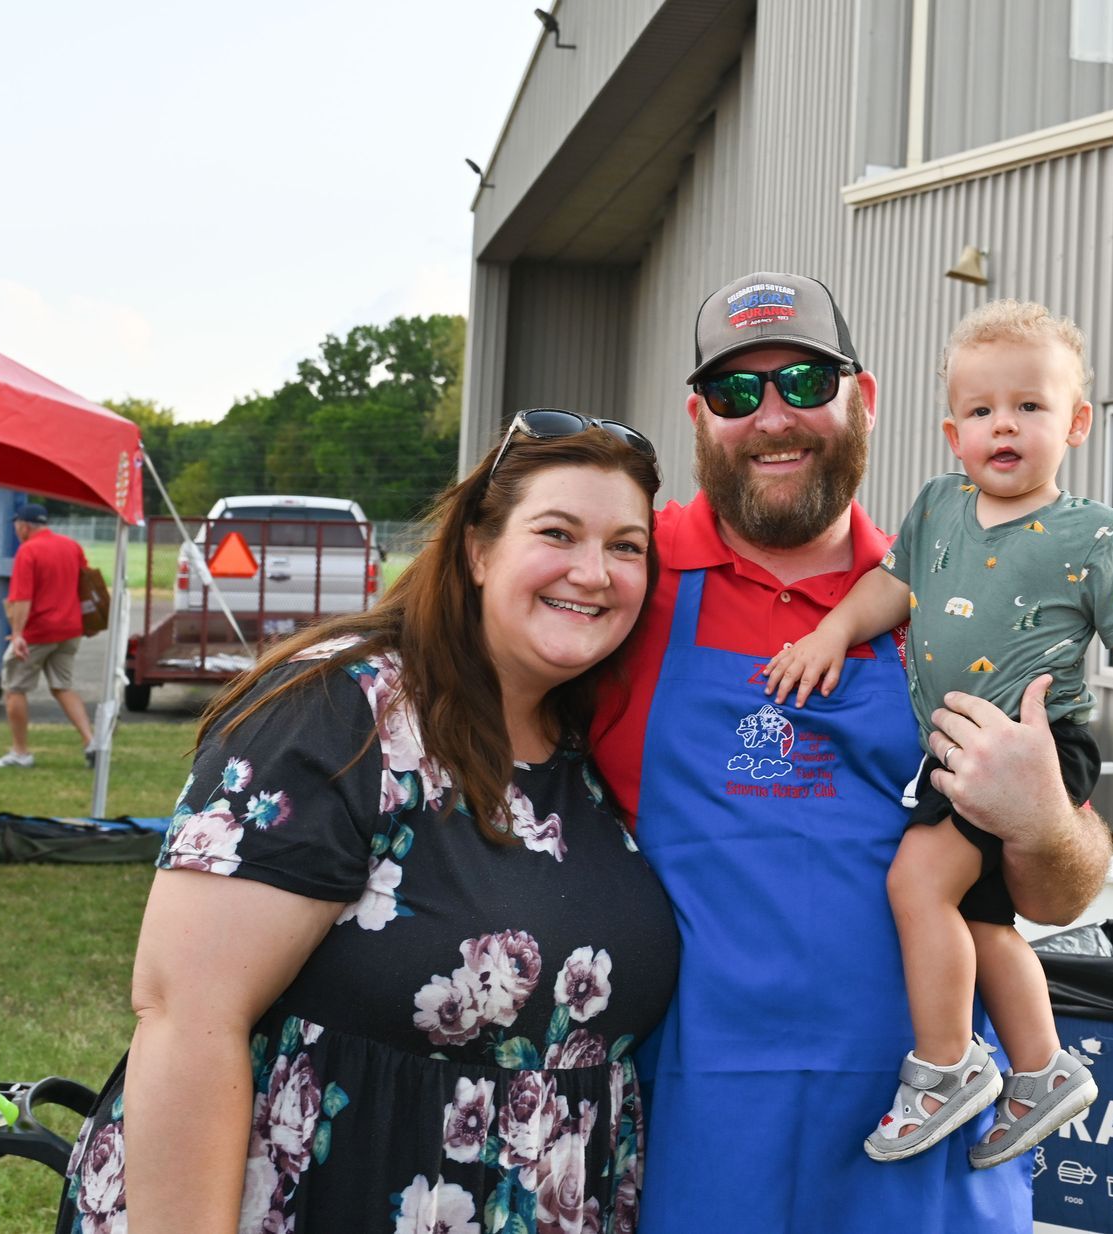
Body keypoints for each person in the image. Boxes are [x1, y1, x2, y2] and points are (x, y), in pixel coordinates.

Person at [59, 416, 681, 1234]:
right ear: (478, 551)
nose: (593, 572)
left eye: (627, 546)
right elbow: (186, 1017)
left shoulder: (587, 743)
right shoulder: (342, 713)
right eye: (557, 533)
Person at [591, 273, 1113, 1233]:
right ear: (700, 417)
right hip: (700, 1140)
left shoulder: (971, 589)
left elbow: (1062, 892)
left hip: (925, 1144)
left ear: (863, 399)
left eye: (804, 381)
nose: (774, 417)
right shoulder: (629, 579)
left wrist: (1042, 818)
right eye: (738, 393)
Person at [766, 298, 1113, 1169]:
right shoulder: (935, 510)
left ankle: (947, 1066)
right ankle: (1040, 1068)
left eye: (1030, 407)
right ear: (953, 432)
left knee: (918, 885)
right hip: (955, 747)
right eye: (983, 410)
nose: (1006, 426)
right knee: (981, 919)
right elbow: (889, 588)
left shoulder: (1094, 533)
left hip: (1034, 747)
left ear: (1074, 424)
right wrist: (830, 633)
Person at [0, 502, 95, 769]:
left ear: (23, 526)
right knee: (62, 686)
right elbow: (86, 582)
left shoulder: (28, 550)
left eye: (16, 525)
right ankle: (92, 742)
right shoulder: (71, 546)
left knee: (14, 689)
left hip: (38, 631)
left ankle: (20, 752)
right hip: (70, 629)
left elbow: (22, 598)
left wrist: (18, 634)